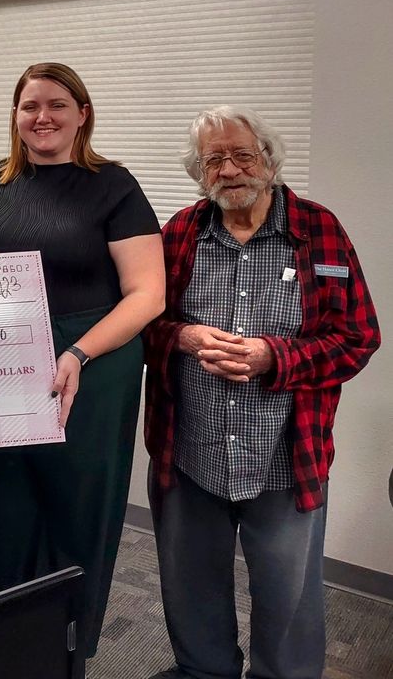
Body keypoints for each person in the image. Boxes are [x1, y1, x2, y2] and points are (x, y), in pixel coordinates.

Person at [143, 106, 380, 679]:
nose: (228, 169)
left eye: (242, 154)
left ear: (269, 161)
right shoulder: (178, 233)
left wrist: (276, 357)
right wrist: (184, 335)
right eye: (213, 160)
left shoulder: (319, 229)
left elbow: (357, 338)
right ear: (199, 173)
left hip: (286, 457)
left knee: (288, 601)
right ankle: (205, 671)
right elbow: (143, 322)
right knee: (190, 587)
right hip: (191, 451)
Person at [0, 62, 165, 659]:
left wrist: (77, 350)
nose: (42, 117)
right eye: (29, 106)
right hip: (0, 359)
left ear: (82, 114)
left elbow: (148, 293)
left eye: (57, 105)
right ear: (15, 116)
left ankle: (61, 652)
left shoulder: (113, 185)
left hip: (91, 363)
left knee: (75, 513)